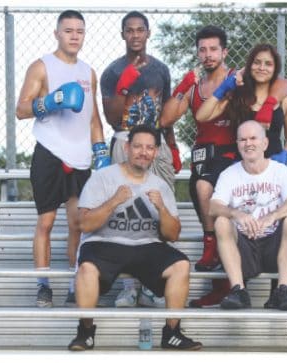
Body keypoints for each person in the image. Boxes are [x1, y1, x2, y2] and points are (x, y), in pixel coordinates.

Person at [160, 28, 287, 307]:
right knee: (209, 200)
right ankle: (227, 282)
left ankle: (281, 289)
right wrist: (206, 88)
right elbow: (193, 115)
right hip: (234, 163)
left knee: (282, 221)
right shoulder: (237, 91)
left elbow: (283, 84)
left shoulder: (278, 93)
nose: (262, 67)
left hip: (270, 168)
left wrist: (283, 155)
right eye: (203, 50)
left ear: (224, 52)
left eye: (214, 49)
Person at [68, 125, 202, 351]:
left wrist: (161, 209)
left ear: (156, 152)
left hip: (145, 246)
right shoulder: (102, 178)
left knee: (180, 264)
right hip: (104, 243)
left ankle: (172, 333)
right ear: (127, 147)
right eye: (138, 146)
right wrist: (114, 201)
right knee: (87, 268)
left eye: (149, 148)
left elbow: (173, 235)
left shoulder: (160, 186)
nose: (143, 152)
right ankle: (85, 332)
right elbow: (84, 224)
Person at [15, 10, 110, 308]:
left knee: (77, 223)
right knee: (46, 221)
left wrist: (101, 153)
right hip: (50, 151)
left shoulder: (88, 72)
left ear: (84, 35)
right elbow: (21, 109)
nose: (73, 36)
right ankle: (43, 285)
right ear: (57, 33)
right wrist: (50, 102)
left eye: (79, 31)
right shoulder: (41, 66)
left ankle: (74, 283)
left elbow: (93, 117)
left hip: (81, 156)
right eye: (68, 30)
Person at [99, 10, 177, 308]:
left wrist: (172, 145)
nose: (134, 35)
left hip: (155, 142)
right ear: (122, 34)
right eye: (129, 30)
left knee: (161, 207)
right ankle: (129, 285)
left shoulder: (160, 69)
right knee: (127, 213)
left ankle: (152, 283)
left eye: (139, 30)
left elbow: (166, 112)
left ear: (148, 33)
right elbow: (111, 117)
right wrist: (125, 84)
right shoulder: (112, 71)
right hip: (125, 139)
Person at [210, 121, 287, 311]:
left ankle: (283, 290)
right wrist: (236, 214)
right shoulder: (229, 174)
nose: (248, 143)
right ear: (237, 144)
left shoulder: (280, 171)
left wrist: (272, 216)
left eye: (253, 138)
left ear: (265, 144)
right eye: (242, 139)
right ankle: (238, 291)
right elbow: (213, 207)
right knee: (221, 221)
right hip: (244, 248)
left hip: (273, 248)